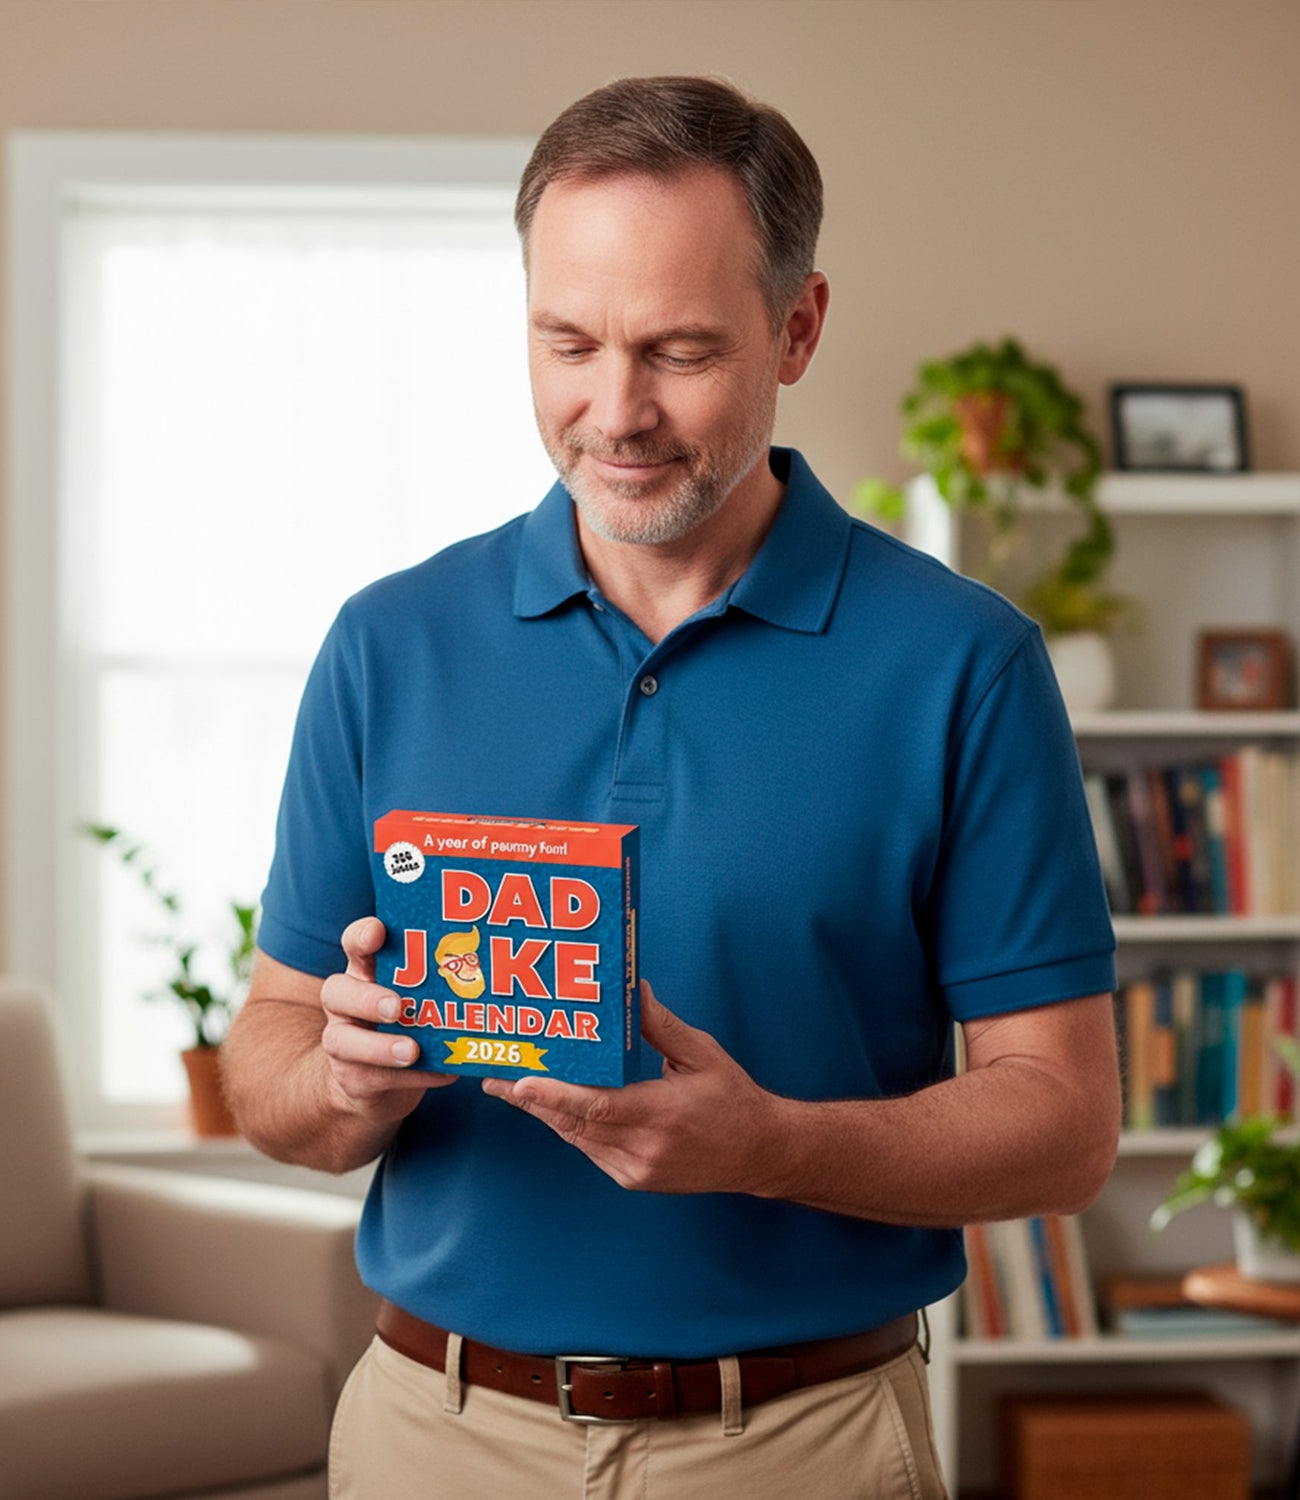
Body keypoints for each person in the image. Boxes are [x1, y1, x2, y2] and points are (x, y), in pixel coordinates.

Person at [222, 74, 1121, 1500]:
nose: (615, 411)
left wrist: (771, 1146)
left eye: (680, 350)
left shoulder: (964, 664)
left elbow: (1064, 1123)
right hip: (431, 1432)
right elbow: (265, 1050)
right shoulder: (387, 643)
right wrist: (339, 1082)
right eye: (567, 342)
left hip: (805, 1443)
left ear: (799, 326)